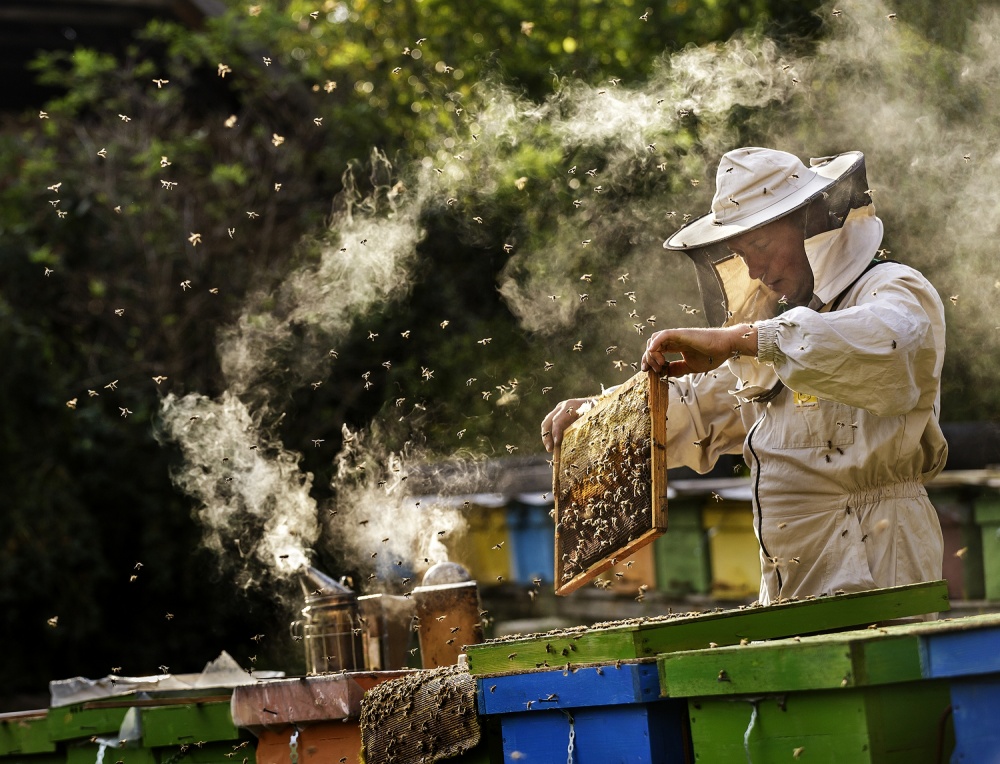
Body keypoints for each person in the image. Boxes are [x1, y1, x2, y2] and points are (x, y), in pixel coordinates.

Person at [541, 147, 947, 605]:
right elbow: (699, 407)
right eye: (739, 254)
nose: (754, 271)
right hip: (789, 576)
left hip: (878, 558)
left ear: (810, 222)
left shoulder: (889, 288)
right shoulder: (777, 326)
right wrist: (600, 418)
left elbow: (892, 347)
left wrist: (741, 339)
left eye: (759, 246)